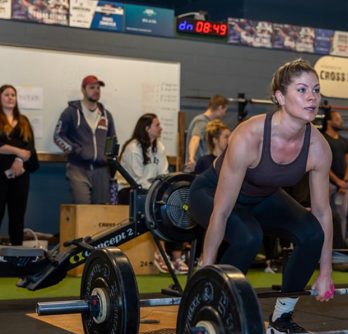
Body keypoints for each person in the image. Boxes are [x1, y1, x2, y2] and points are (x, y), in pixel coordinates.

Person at [189, 58, 334, 334]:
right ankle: (218, 306)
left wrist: (326, 270)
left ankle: (282, 318)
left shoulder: (318, 147)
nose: (312, 97)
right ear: (280, 96)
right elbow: (222, 210)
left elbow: (323, 212)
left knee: (311, 232)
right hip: (210, 193)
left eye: (316, 90)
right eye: (302, 90)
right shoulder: (249, 135)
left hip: (263, 196)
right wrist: (206, 270)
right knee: (248, 236)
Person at [118, 113, 188, 274]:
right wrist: (155, 192)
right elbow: (136, 179)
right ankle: (161, 254)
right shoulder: (132, 148)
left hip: (150, 190)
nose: (160, 127)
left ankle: (177, 257)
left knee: (174, 204)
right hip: (129, 190)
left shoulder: (160, 147)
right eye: (157, 125)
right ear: (147, 128)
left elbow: (163, 173)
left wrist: (162, 190)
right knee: (153, 207)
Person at [54, 75, 116, 204]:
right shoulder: (71, 112)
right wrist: (75, 150)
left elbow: (112, 140)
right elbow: (58, 136)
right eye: (92, 87)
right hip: (78, 168)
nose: (96, 91)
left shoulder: (106, 115)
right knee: (83, 209)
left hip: (101, 170)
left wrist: (109, 160)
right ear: (83, 90)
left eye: (98, 88)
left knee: (101, 213)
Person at [0, 84, 39, 245]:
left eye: (13, 95)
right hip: (0, 174)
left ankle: (16, 252)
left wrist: (19, 159)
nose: (10, 98)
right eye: (6, 94)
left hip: (20, 174)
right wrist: (16, 150)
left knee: (17, 215)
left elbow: (29, 147)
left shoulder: (24, 121)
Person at [321, 109, 348, 240]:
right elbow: (321, 164)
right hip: (326, 184)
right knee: (323, 214)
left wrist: (344, 181)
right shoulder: (322, 139)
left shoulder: (344, 141)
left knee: (342, 215)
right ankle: (323, 242)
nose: (341, 122)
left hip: (342, 186)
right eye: (338, 119)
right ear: (329, 121)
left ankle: (341, 244)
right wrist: (336, 181)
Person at [184, 94, 229, 172]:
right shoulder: (201, 122)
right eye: (225, 110)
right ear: (220, 107)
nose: (224, 114)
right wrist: (191, 159)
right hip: (195, 169)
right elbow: (195, 139)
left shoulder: (207, 122)